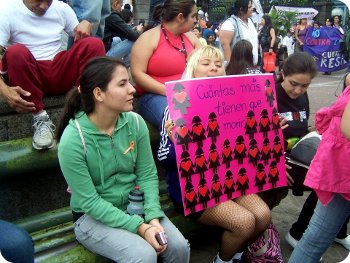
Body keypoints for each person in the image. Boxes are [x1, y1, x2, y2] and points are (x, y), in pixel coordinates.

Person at [56, 57, 190, 263]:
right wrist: (140, 227)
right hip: (91, 217)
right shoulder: (73, 140)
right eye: (122, 84)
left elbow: (147, 173)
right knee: (143, 256)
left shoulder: (135, 123)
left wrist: (153, 216)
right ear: (98, 93)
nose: (132, 89)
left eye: (129, 81)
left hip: (135, 205)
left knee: (179, 247)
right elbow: (90, 202)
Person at [158, 45, 271, 263]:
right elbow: (164, 159)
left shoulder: (234, 103)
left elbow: (246, 147)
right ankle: (224, 259)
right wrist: (175, 143)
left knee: (263, 215)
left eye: (219, 65)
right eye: (206, 63)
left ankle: (237, 252)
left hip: (232, 180)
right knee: (244, 222)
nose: (214, 68)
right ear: (193, 68)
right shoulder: (175, 107)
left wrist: (266, 128)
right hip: (193, 189)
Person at [0, 0, 105, 150]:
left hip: (57, 69)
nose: (43, 6)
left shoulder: (61, 8)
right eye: (38, 1)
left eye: (48, 1)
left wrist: (86, 25)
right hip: (27, 75)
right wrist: (3, 90)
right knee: (15, 52)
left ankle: (87, 110)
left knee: (94, 44)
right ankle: (40, 118)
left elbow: (81, 38)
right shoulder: (6, 9)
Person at [288, 86, 350, 263]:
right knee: (315, 238)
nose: (298, 89)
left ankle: (339, 232)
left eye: (304, 85)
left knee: (315, 237)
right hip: (340, 165)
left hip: (338, 163)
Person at [258, 52, 317, 209]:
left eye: (304, 86)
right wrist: (275, 163)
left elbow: (302, 128)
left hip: (293, 161)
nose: (298, 91)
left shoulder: (303, 97)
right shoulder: (267, 95)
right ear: (283, 74)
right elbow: (252, 138)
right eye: (293, 83)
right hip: (267, 163)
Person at [131, 0, 200, 130]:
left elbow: (207, 60)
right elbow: (137, 74)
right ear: (180, 17)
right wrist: (170, 91)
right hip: (153, 96)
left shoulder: (191, 37)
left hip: (191, 94)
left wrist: (200, 58)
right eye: (193, 16)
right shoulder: (148, 38)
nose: (195, 20)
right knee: (178, 118)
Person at [103, 0, 143, 65]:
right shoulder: (112, 16)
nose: (121, 9)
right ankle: (125, 66)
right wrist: (138, 30)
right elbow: (135, 36)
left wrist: (131, 30)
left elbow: (121, 33)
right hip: (103, 56)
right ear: (115, 4)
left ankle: (116, 65)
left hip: (102, 50)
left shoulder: (105, 14)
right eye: (121, 6)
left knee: (117, 39)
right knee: (134, 41)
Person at [219, 0, 258, 64]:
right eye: (250, 7)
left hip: (250, 66)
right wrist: (231, 66)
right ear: (241, 9)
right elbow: (225, 46)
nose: (252, 9)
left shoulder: (250, 21)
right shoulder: (229, 24)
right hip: (237, 67)